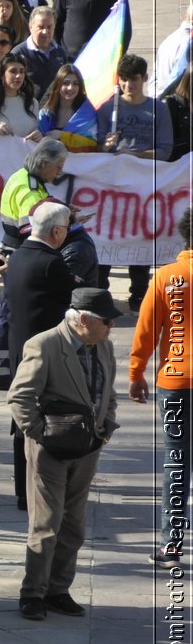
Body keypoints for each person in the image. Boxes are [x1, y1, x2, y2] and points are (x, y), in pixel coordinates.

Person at [7, 288, 121, 619]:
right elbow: (20, 397)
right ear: (82, 320)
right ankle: (33, 593)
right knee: (46, 522)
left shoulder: (103, 345)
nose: (111, 327)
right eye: (106, 321)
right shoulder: (44, 345)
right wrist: (40, 435)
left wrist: (105, 427)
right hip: (50, 449)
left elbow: (107, 390)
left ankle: (58, 589)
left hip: (88, 447)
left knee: (74, 525)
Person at [0, 200, 78, 511]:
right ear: (57, 231)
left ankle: (23, 491)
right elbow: (69, 302)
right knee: (46, 424)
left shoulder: (18, 256)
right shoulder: (51, 262)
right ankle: (40, 490)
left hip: (20, 351)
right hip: (47, 356)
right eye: (66, 229)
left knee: (22, 423)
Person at [129, 211, 193, 566]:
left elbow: (146, 331)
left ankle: (172, 544)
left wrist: (136, 373)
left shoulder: (167, 277)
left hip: (175, 381)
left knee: (176, 461)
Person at [98, 54, 171, 310]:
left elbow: (164, 150)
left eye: (135, 80)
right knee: (106, 235)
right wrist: (105, 147)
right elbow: (96, 149)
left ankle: (139, 292)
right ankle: (101, 290)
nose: (129, 85)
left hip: (144, 186)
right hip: (113, 187)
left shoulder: (158, 109)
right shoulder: (108, 108)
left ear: (145, 79)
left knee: (140, 236)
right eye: (125, 80)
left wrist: (135, 155)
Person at [11, 6, 67, 98]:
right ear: (31, 27)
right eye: (40, 27)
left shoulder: (60, 53)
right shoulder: (18, 53)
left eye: (49, 27)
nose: (45, 31)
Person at [36, 63, 88, 137]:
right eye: (66, 83)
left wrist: (62, 136)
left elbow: (91, 143)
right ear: (58, 85)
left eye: (75, 83)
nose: (70, 88)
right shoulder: (45, 114)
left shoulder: (87, 112)